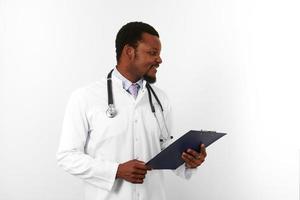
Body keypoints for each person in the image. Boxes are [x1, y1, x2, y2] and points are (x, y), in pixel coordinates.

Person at [56, 21, 207, 200]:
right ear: (129, 51)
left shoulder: (161, 100)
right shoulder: (85, 98)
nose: (159, 60)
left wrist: (188, 162)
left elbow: (164, 148)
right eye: (152, 53)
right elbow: (68, 156)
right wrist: (116, 171)